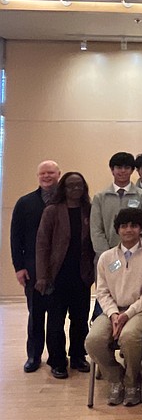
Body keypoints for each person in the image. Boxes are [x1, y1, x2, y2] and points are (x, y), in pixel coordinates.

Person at [85, 208, 142, 407]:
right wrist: (113, 315)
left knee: (129, 337)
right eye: (124, 226)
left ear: (141, 229)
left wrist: (127, 314)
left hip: (140, 310)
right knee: (93, 341)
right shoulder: (106, 258)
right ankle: (115, 377)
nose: (129, 230)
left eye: (134, 226)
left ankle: (132, 382)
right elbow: (101, 291)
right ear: (118, 230)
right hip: (111, 310)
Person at [35, 172, 95, 379]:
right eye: (71, 186)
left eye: (79, 186)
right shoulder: (52, 211)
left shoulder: (89, 210)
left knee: (80, 319)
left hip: (82, 275)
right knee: (55, 321)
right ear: (63, 188)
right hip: (57, 275)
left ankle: (78, 356)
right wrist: (42, 277)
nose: (75, 190)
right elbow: (42, 245)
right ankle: (57, 360)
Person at [10, 159, 61, 372]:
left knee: (57, 316)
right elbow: (15, 237)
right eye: (43, 174)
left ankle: (56, 357)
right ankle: (33, 356)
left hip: (59, 269)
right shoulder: (25, 203)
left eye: (50, 172)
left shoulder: (66, 202)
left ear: (59, 174)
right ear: (38, 177)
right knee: (36, 315)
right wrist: (19, 267)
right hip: (32, 269)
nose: (46, 176)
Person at [90, 152, 142, 259]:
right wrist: (107, 255)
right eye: (119, 167)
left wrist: (133, 251)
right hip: (106, 256)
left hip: (136, 255)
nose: (123, 171)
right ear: (112, 170)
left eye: (127, 167)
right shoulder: (100, 197)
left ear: (132, 170)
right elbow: (96, 230)